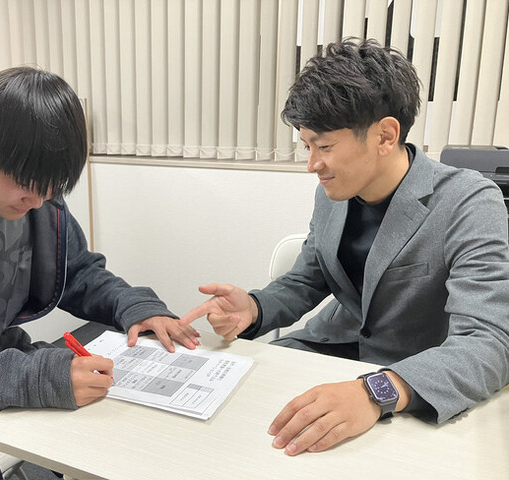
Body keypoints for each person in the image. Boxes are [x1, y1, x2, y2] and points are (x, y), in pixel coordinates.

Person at [180, 38, 509, 456]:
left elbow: (489, 343)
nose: (312, 165)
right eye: (307, 146)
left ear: (385, 136)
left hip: (411, 377)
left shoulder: (468, 201)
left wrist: (375, 391)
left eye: (325, 146)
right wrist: (255, 308)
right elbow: (307, 279)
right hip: (328, 351)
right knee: (226, 417)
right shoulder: (332, 193)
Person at [0, 66, 199, 479]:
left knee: (117, 425)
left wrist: (137, 307)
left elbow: (78, 272)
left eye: (52, 186)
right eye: (26, 184)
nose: (40, 201)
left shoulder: (36, 196)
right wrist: (37, 378)